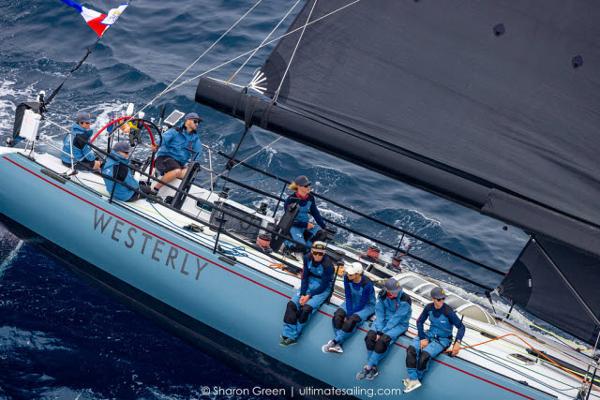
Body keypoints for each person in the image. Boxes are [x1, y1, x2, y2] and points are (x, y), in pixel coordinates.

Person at [403, 286, 465, 393]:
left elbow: (461, 327)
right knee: (411, 350)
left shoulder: (448, 312)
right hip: (429, 335)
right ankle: (413, 379)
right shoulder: (429, 308)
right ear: (433, 299)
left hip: (443, 340)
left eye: (443, 299)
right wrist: (422, 338)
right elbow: (419, 322)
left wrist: (457, 343)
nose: (441, 301)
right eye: (439, 299)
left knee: (424, 356)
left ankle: (417, 379)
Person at [356, 278, 411, 381]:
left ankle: (368, 367)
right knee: (369, 337)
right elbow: (380, 312)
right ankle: (373, 367)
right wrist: (379, 330)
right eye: (393, 292)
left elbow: (397, 318)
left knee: (382, 341)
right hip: (382, 321)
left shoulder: (405, 300)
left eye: (397, 291)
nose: (395, 294)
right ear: (387, 290)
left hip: (399, 324)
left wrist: (382, 332)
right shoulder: (382, 295)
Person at [280, 241, 334, 346]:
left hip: (322, 288)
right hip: (309, 282)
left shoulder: (328, 266)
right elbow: (304, 277)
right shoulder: (306, 258)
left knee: (306, 309)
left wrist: (308, 296)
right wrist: (302, 294)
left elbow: (323, 286)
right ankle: (288, 333)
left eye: (321, 254)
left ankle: (294, 336)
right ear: (311, 251)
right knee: (292, 304)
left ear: (324, 253)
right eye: (315, 253)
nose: (318, 256)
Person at [322, 261, 375, 354]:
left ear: (357, 274)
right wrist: (349, 312)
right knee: (337, 316)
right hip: (352, 301)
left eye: (350, 274)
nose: (347, 275)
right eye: (348, 273)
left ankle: (334, 342)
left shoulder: (367, 285)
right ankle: (338, 345)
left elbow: (362, 303)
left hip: (367, 306)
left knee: (352, 320)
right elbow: (348, 295)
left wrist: (350, 315)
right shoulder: (347, 278)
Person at [153, 112, 202, 190]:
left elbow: (197, 154)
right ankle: (155, 189)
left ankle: (169, 177)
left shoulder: (196, 139)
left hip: (178, 163)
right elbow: (163, 139)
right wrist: (156, 144)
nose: (197, 124)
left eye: (198, 122)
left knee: (188, 173)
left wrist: (191, 166)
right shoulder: (174, 131)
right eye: (195, 121)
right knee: (177, 171)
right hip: (164, 158)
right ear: (187, 120)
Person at [283, 175, 327, 254]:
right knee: (300, 246)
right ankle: (287, 244)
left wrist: (324, 227)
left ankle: (307, 249)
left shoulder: (310, 198)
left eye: (309, 185)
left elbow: (315, 213)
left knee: (321, 234)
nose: (309, 187)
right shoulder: (290, 200)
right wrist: (305, 225)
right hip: (293, 226)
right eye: (306, 185)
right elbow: (289, 220)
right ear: (299, 187)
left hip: (305, 225)